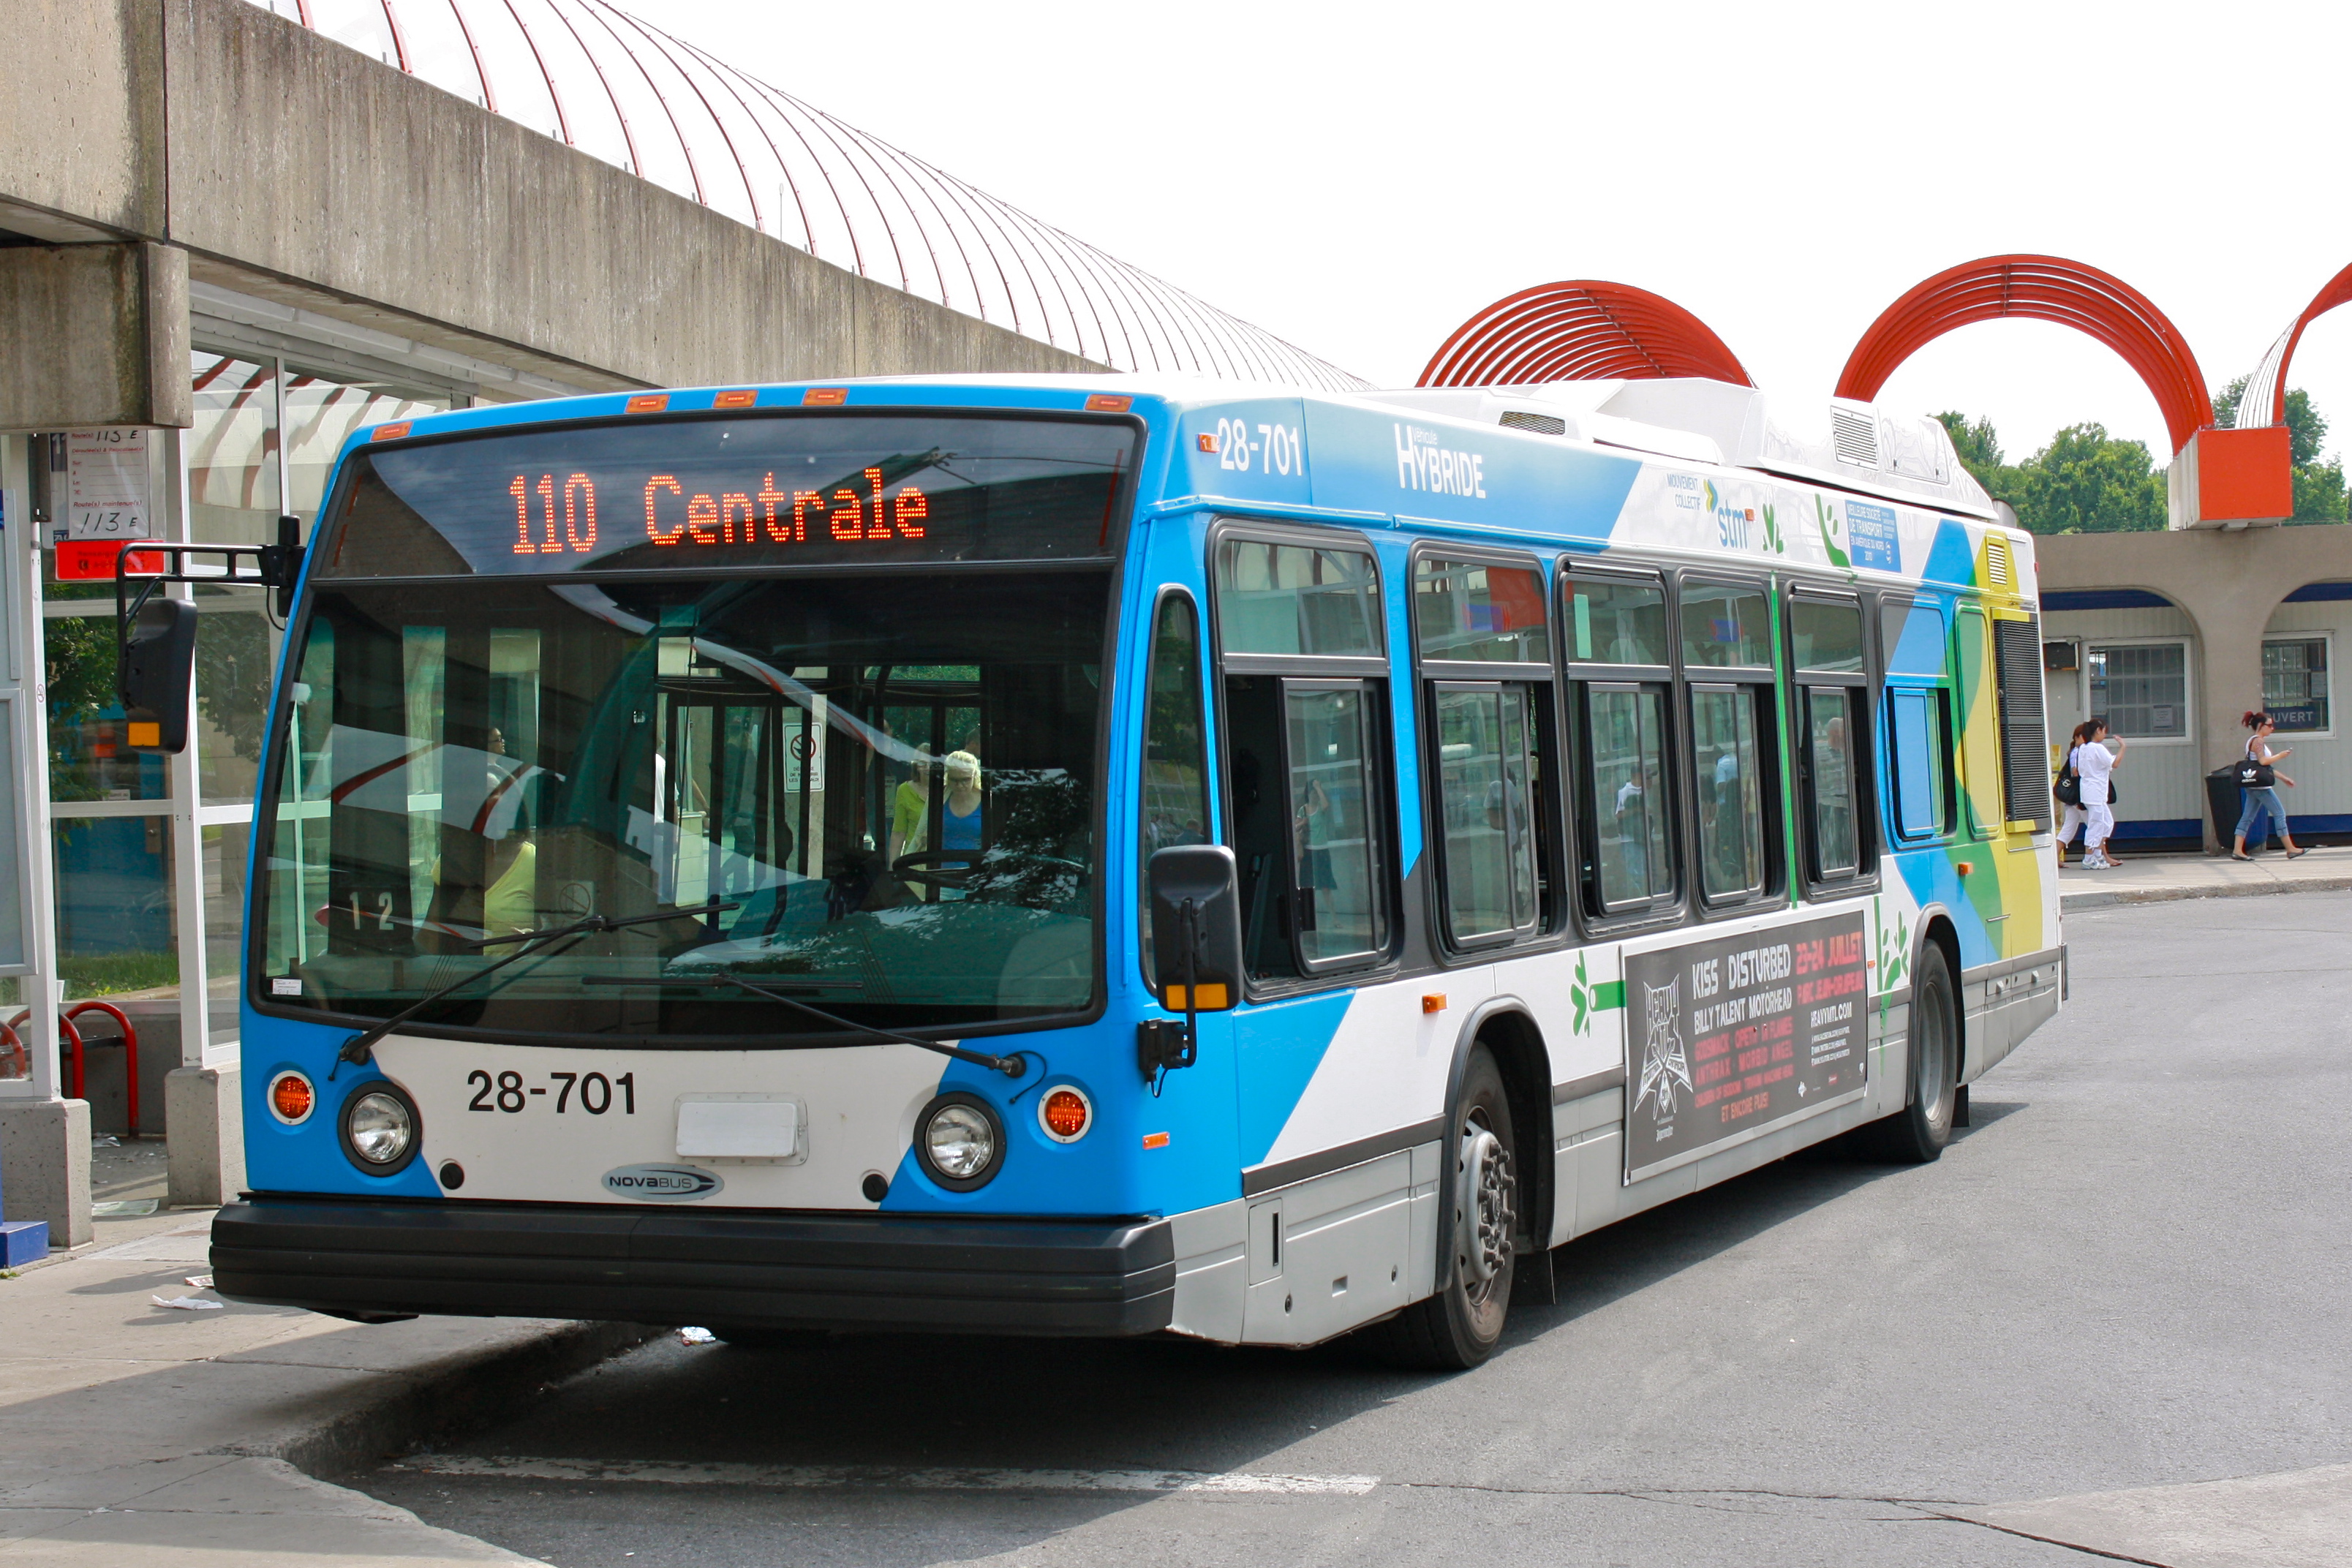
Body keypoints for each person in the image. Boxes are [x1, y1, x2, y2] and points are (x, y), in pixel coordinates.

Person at [2231, 710, 2308, 861]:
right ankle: (2291, 849)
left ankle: (2237, 850)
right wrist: (2280, 755)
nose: (2272, 728)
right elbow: (2263, 762)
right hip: (2261, 788)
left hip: (2252, 785)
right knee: (2279, 814)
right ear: (2261, 725)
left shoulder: (2252, 741)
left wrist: (2284, 778)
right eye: (2270, 725)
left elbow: (2265, 769)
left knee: (2247, 817)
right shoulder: (2258, 741)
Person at [2065, 718, 2125, 869]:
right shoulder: (2097, 748)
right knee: (2096, 824)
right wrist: (2123, 747)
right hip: (2095, 791)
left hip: (2090, 790)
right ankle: (2089, 857)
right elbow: (2115, 763)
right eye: (2104, 731)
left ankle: (2097, 855)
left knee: (2106, 822)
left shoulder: (2084, 748)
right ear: (2098, 730)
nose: (2104, 734)